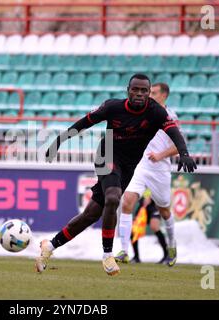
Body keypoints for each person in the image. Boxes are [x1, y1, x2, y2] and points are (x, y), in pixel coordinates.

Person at [35, 74, 197, 276]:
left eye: (143, 90)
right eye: (135, 89)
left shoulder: (156, 112)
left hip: (128, 166)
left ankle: (49, 246)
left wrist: (184, 153)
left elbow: (174, 133)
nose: (139, 94)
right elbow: (85, 122)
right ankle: (108, 255)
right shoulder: (113, 107)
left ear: (148, 93)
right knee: (113, 198)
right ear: (127, 90)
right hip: (107, 154)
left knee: (91, 214)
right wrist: (59, 140)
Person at [115, 82, 179, 267]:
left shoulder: (170, 117)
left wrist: (160, 155)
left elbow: (178, 145)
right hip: (140, 166)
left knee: (165, 210)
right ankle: (124, 251)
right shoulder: (141, 112)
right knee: (127, 201)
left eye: (153, 92)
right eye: (149, 92)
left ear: (164, 95)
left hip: (159, 169)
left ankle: (172, 244)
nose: (149, 95)